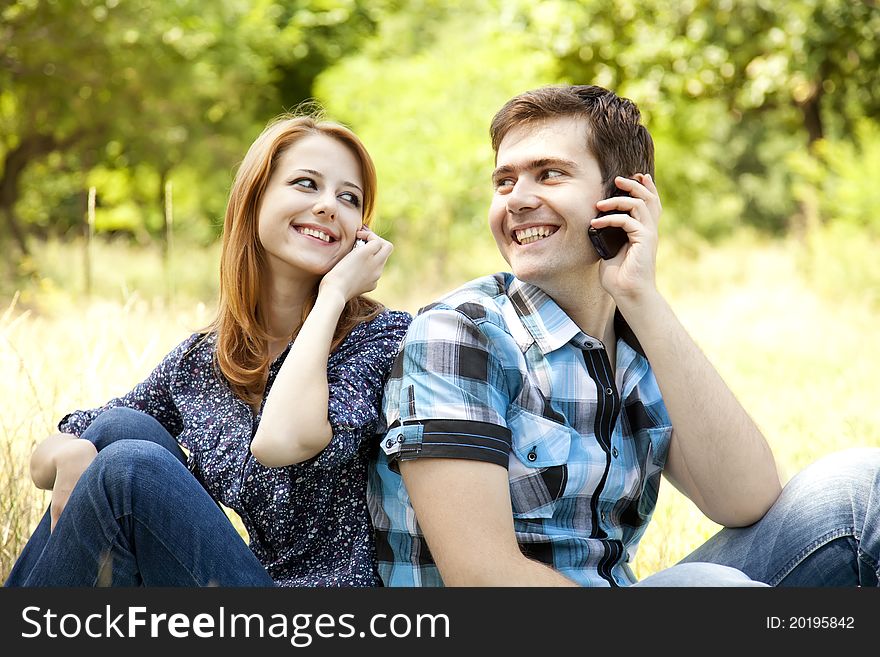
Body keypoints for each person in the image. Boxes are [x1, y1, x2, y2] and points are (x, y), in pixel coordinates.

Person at [369, 84, 880, 587]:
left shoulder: (637, 336)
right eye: (505, 182)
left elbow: (744, 498)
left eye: (549, 174)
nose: (518, 200)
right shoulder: (460, 336)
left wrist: (643, 298)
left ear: (622, 196)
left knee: (862, 485)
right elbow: (483, 578)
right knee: (706, 588)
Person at [6, 112, 411, 587]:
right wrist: (68, 454)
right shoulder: (205, 359)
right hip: (240, 586)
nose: (329, 207)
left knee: (131, 468)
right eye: (306, 184)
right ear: (254, 199)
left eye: (349, 198)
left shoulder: (383, 339)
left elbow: (280, 442)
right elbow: (55, 451)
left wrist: (334, 295)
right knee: (120, 429)